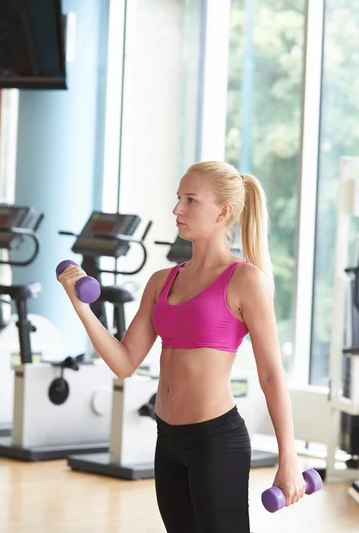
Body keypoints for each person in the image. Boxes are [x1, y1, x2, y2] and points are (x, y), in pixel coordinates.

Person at [58, 161, 305, 533]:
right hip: (168, 439)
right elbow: (124, 362)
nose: (177, 209)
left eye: (190, 200)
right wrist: (81, 307)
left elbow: (271, 374)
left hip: (216, 441)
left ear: (223, 212)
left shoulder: (245, 280)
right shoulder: (162, 280)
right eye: (178, 199)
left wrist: (289, 456)